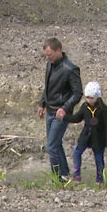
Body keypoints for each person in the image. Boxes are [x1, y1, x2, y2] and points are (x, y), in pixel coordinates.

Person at [38, 38, 82, 178]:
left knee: (51, 146)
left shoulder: (70, 69)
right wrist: (42, 103)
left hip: (61, 113)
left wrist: (65, 108)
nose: (47, 57)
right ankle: (64, 174)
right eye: (46, 55)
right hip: (50, 110)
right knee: (56, 144)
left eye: (49, 54)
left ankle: (57, 177)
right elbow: (48, 87)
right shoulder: (50, 65)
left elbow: (77, 93)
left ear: (58, 50)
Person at [60, 81, 107, 184]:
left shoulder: (104, 110)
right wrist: (65, 117)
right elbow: (77, 118)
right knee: (77, 152)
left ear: (97, 97)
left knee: (99, 158)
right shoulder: (85, 107)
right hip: (86, 135)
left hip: (98, 137)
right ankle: (76, 174)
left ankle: (100, 178)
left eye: (91, 98)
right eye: (87, 97)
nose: (89, 100)